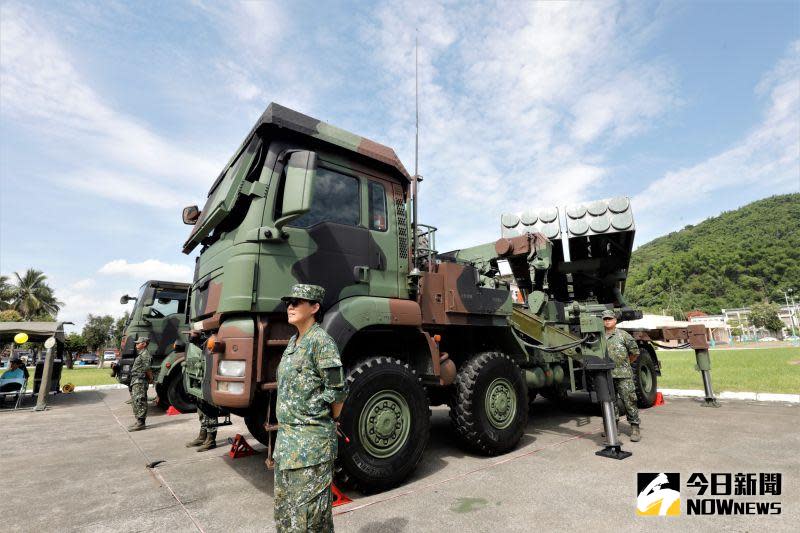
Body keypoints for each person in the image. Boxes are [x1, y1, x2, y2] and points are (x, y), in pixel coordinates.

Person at [273, 284, 347, 533]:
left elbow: (337, 391)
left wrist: (331, 419)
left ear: (314, 307)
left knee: (309, 522)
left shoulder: (321, 342)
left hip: (311, 446)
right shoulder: (294, 342)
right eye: (288, 302)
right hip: (287, 446)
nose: (290, 306)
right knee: (287, 516)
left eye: (297, 302)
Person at [602, 309, 641, 442]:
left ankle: (635, 427)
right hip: (607, 376)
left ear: (615, 320)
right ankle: (614, 427)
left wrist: (625, 364)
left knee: (629, 400)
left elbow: (635, 352)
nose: (607, 321)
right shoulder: (599, 337)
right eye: (605, 319)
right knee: (610, 403)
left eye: (609, 319)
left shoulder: (623, 335)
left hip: (623, 375)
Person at [128, 336, 152, 432]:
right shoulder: (141, 354)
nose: (136, 344)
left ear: (144, 344)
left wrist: (150, 378)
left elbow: (147, 369)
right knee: (135, 400)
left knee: (140, 400)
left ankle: (141, 422)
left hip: (140, 381)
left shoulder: (145, 354)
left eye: (139, 343)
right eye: (136, 343)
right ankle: (138, 420)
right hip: (135, 380)